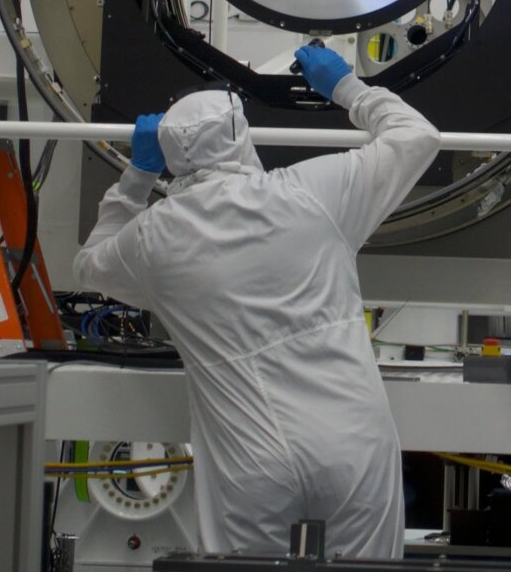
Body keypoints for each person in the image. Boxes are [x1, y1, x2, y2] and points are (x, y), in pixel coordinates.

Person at [73, 45, 440, 558]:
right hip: (352, 443)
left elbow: (89, 264)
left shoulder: (153, 240)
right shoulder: (313, 192)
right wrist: (346, 88)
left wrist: (138, 174)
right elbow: (418, 136)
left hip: (247, 462)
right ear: (240, 135)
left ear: (171, 155)